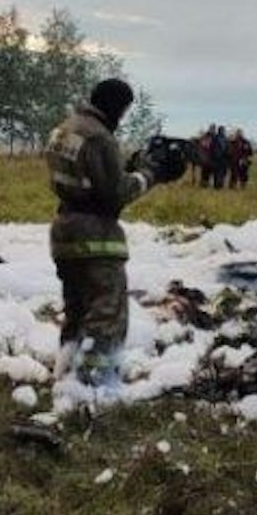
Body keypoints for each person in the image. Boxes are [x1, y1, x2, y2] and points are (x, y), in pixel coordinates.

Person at [45, 79, 179, 389]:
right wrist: (150, 174)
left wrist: (125, 168)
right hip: (95, 237)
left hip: (65, 231)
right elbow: (115, 194)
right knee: (107, 313)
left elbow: (85, 178)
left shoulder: (64, 129)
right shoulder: (99, 138)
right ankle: (93, 384)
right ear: (117, 106)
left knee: (76, 310)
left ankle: (65, 374)